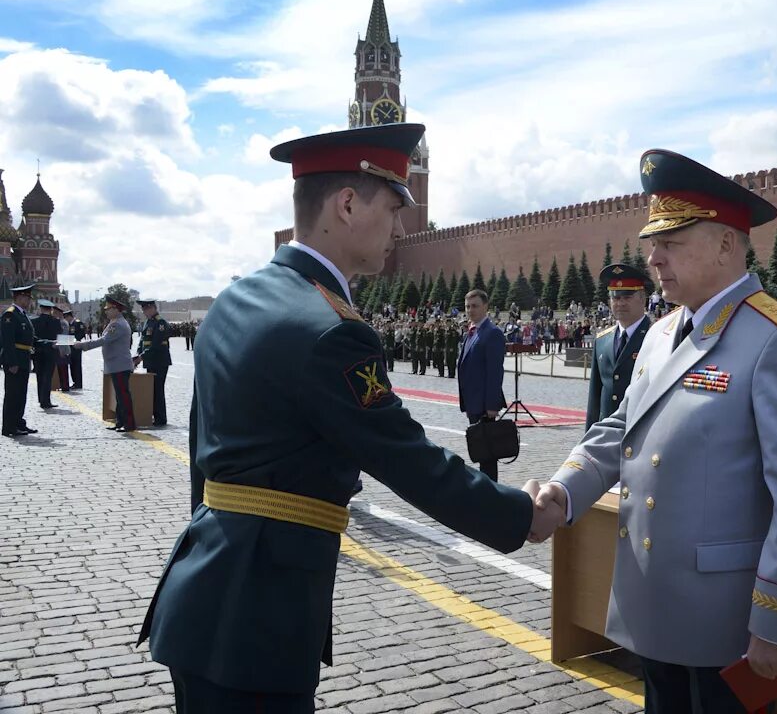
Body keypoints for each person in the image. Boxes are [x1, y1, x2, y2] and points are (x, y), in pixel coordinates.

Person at [136, 122, 561, 713]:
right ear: (346, 204)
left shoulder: (236, 300)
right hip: (261, 621)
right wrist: (521, 515)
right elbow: (406, 458)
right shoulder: (331, 329)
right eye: (392, 206)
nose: (401, 226)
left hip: (201, 591)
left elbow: (202, 459)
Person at [535, 149, 777, 713]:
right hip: (655, 599)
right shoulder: (660, 334)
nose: (653, 258)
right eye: (652, 242)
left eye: (670, 243)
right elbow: (620, 427)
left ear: (727, 243)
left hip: (724, 615)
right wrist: (563, 491)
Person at [585, 263, 652, 429]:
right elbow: (595, 397)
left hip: (641, 430)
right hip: (606, 433)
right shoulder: (602, 340)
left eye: (627, 297)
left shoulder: (657, 336)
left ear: (642, 298)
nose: (620, 303)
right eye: (616, 297)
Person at [457, 289, 506, 481]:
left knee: (487, 453)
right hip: (473, 402)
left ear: (486, 306)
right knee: (480, 449)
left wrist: (492, 406)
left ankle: (490, 490)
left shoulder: (491, 333)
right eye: (468, 306)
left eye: (475, 306)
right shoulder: (471, 331)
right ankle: (487, 487)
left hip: (484, 404)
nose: (470, 310)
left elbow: (495, 373)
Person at [77, 297, 137, 432]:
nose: (106, 312)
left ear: (116, 309)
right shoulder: (114, 322)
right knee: (119, 396)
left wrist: (83, 345)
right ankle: (120, 422)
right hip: (116, 365)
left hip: (120, 365)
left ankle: (129, 424)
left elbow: (104, 340)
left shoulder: (118, 324)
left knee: (123, 395)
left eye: (108, 309)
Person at [1, 284, 43, 436]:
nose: (29, 301)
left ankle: (19, 423)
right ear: (19, 298)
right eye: (26, 298)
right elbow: (7, 341)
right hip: (15, 360)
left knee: (21, 394)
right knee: (12, 394)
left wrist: (50, 343)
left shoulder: (22, 315)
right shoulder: (10, 315)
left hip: (24, 359)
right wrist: (11, 362)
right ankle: (9, 427)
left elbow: (30, 339)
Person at [132, 299, 172, 427]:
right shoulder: (148, 322)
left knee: (158, 390)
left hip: (160, 361)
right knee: (152, 389)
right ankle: (155, 415)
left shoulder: (160, 323)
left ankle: (161, 418)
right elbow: (143, 340)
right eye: (143, 309)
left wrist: (141, 357)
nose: (144, 312)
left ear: (153, 308)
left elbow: (156, 345)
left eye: (145, 309)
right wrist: (138, 354)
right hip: (150, 361)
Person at [31, 299, 60, 409]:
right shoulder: (56, 321)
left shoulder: (34, 321)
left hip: (38, 352)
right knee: (48, 376)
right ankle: (46, 400)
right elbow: (59, 336)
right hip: (51, 351)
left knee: (39, 375)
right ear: (51, 310)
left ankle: (40, 399)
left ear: (41, 309)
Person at [65, 310, 86, 389]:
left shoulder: (78, 323)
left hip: (76, 348)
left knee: (77, 366)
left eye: (66, 317)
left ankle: (78, 383)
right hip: (70, 348)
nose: (65, 319)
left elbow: (82, 333)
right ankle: (74, 382)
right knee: (72, 366)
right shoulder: (69, 324)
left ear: (69, 316)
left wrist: (75, 340)